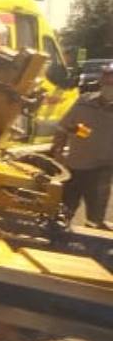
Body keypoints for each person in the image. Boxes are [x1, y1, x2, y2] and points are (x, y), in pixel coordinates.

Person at [53, 63, 113, 229]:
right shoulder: (84, 102)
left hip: (102, 170)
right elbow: (63, 128)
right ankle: (57, 240)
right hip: (74, 167)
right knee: (62, 212)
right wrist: (58, 152)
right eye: (107, 79)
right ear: (101, 80)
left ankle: (91, 242)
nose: (110, 85)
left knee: (95, 217)